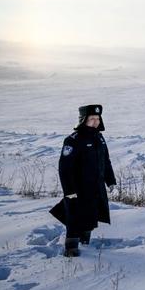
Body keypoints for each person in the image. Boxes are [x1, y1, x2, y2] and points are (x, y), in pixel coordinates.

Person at [50, 104, 116, 257]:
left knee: (92, 214)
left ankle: (85, 242)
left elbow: (105, 161)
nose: (95, 122)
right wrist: (69, 191)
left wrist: (110, 180)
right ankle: (71, 248)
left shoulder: (99, 137)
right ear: (83, 120)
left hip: (96, 186)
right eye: (92, 119)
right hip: (78, 189)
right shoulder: (73, 140)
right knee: (75, 217)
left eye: (98, 118)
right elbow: (65, 169)